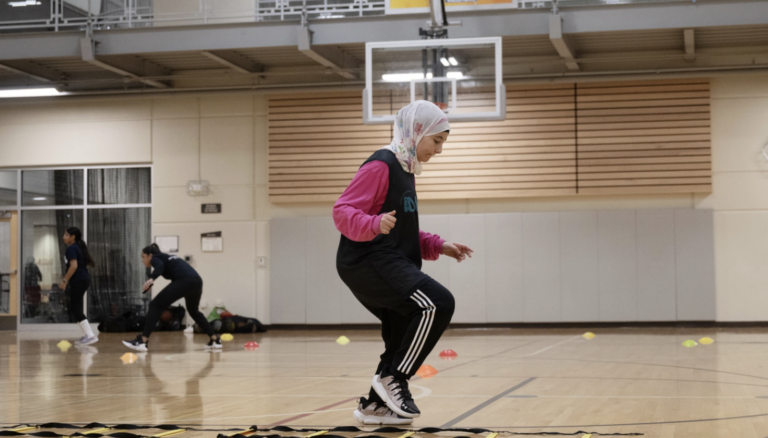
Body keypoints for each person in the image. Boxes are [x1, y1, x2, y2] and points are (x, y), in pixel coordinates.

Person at [334, 100, 474, 424]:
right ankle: (394, 378)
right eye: (437, 140)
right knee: (437, 303)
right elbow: (341, 211)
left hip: (388, 258)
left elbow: (404, 229)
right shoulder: (381, 164)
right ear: (417, 131)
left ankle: (374, 406)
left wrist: (440, 245)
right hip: (367, 259)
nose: (439, 150)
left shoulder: (406, 169)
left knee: (401, 331)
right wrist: (371, 224)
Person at [122, 244, 220, 352]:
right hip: (196, 281)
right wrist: (149, 274)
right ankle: (215, 340)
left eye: (143, 256)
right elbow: (162, 268)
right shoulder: (167, 257)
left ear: (150, 255)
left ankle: (143, 341)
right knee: (194, 312)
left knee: (155, 305)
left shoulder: (156, 258)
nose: (142, 259)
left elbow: (159, 267)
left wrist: (151, 280)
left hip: (185, 282)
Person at [59, 227, 97, 345]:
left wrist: (65, 280)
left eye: (66, 234)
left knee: (75, 308)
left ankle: (90, 336)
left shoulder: (71, 248)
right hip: (83, 279)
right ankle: (87, 334)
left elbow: (73, 266)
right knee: (75, 307)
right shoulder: (78, 247)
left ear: (72, 237)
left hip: (79, 280)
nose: (63, 237)